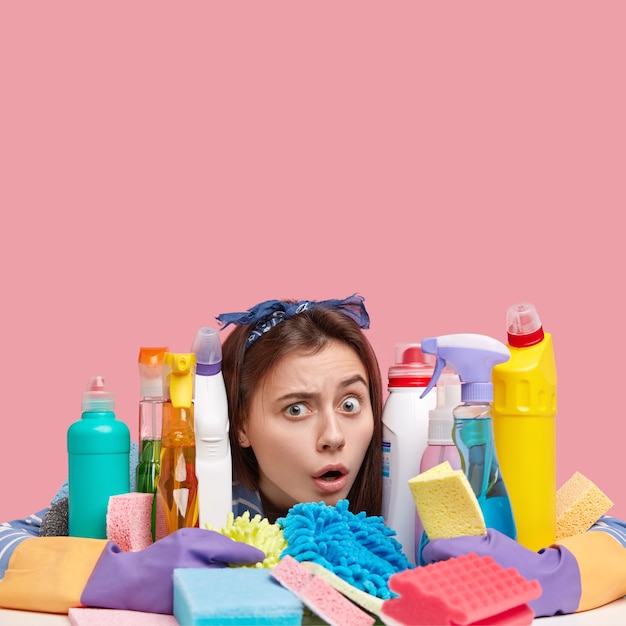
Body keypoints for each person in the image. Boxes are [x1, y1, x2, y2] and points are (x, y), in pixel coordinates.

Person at [1, 293, 625, 617]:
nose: (333, 437)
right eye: (295, 409)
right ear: (238, 424)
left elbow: (617, 534)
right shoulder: (167, 477)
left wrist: (541, 578)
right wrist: (118, 575)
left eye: (351, 405)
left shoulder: (425, 478)